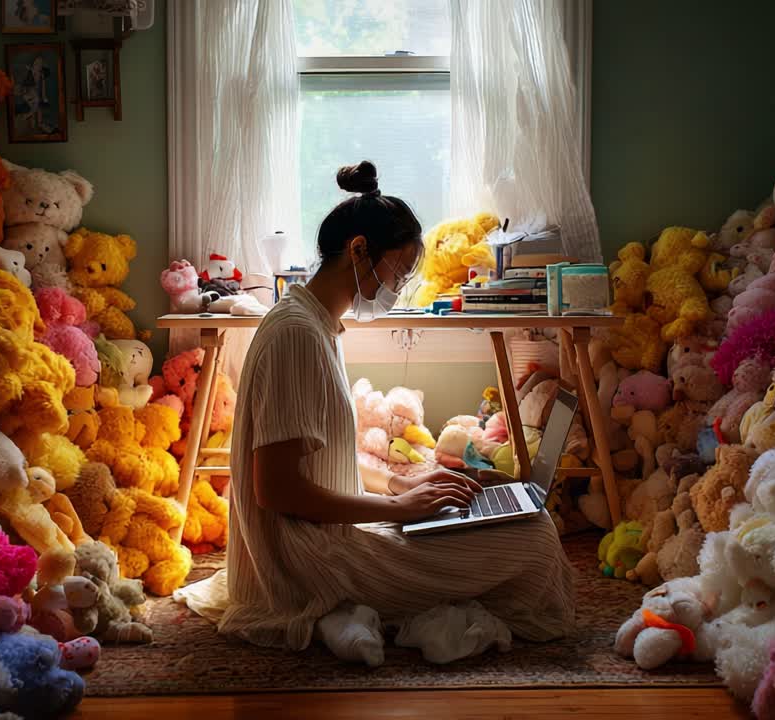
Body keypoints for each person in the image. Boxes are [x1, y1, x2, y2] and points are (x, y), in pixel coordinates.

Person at [175, 161, 576, 666]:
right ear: (360, 250)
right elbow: (275, 489)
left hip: (326, 530)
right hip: (306, 559)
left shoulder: (316, 324)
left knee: (522, 520)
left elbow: (322, 457)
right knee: (534, 542)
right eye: (399, 271)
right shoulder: (297, 334)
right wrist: (397, 512)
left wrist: (398, 486)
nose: (398, 286)